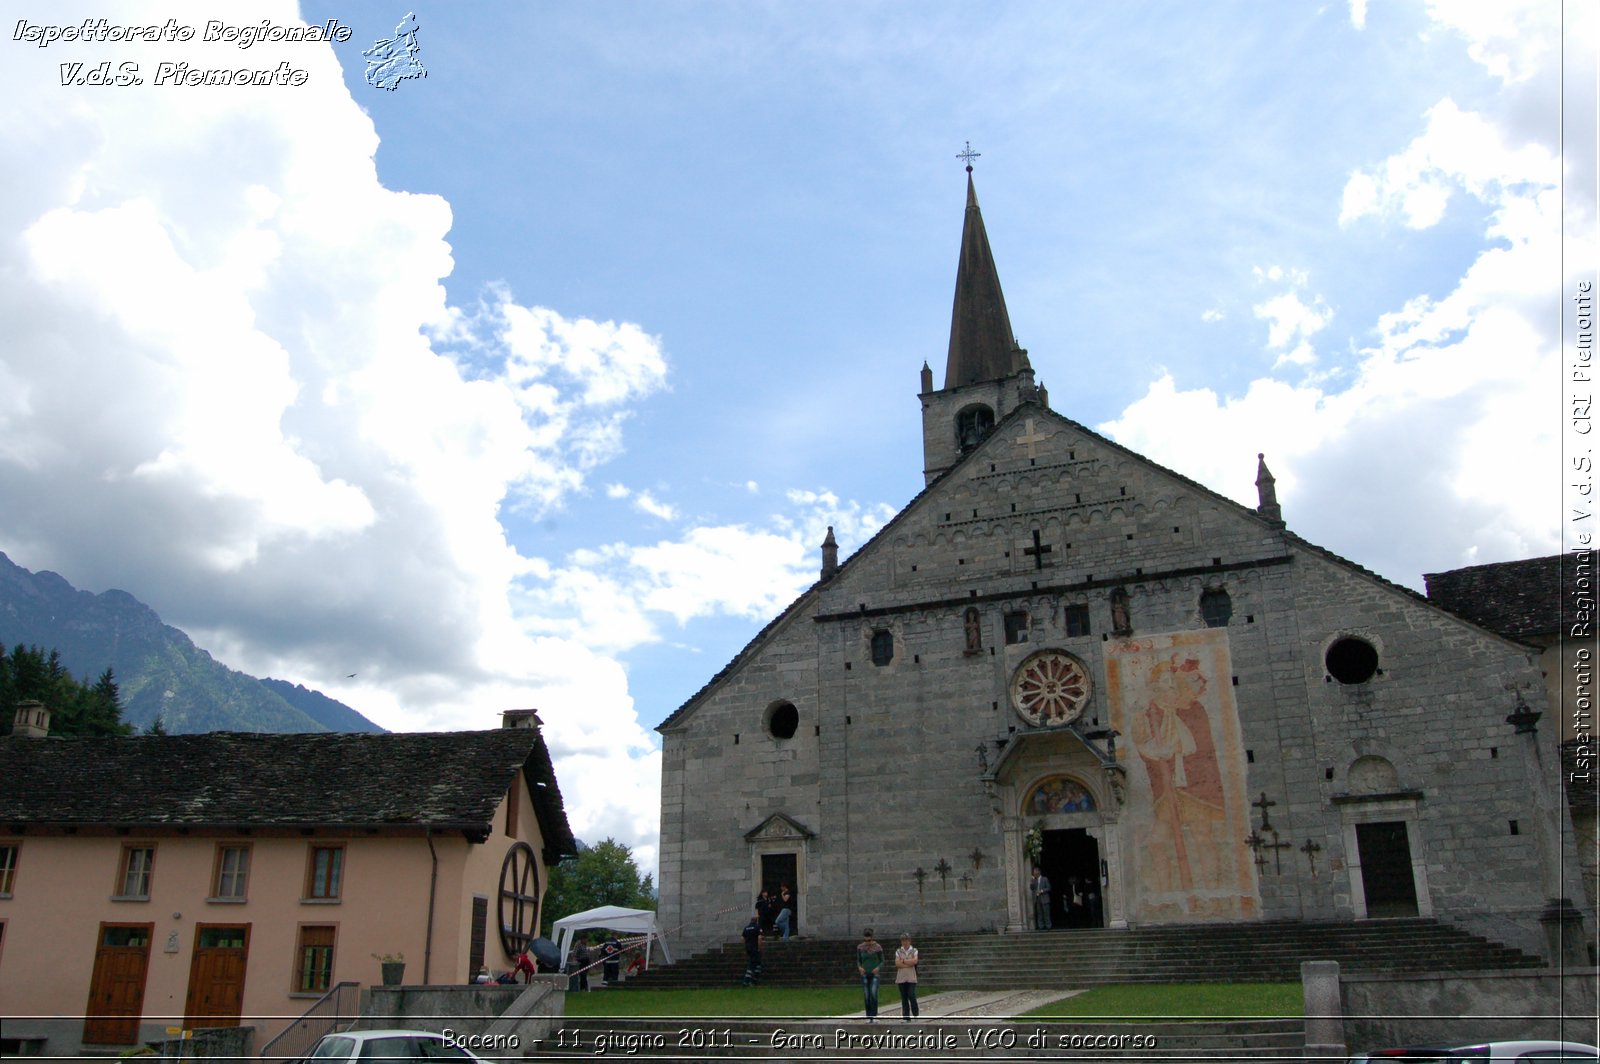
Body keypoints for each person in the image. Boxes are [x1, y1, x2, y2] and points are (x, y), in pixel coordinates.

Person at [856, 927, 884, 1022]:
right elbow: (858, 960)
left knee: (873, 993)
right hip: (864, 974)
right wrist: (860, 967)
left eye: (869, 940)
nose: (867, 942)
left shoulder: (877, 947)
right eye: (865, 940)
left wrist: (878, 968)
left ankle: (874, 1015)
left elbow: (882, 960)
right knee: (867, 995)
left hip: (874, 974)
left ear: (872, 938)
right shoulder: (860, 948)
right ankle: (868, 1016)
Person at [894, 932, 920, 1021]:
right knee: (904, 997)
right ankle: (906, 1016)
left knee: (911, 994)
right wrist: (908, 963)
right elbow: (897, 963)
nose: (905, 943)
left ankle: (915, 1012)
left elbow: (915, 961)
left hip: (911, 977)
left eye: (906, 940)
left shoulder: (914, 951)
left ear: (909, 941)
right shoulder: (898, 951)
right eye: (903, 941)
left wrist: (903, 961)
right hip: (901, 977)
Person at [741, 910, 763, 985]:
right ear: (756, 921)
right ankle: (747, 980)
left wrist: (746, 946)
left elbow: (743, 939)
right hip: (755, 948)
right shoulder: (757, 927)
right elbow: (759, 938)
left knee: (758, 962)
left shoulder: (746, 928)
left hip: (748, 948)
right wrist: (759, 947)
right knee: (752, 963)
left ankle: (754, 979)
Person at [1029, 866, 1052, 930]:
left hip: (1044, 898)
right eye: (1033, 872)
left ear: (1038, 872)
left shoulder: (1045, 879)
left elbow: (1048, 888)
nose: (1033, 873)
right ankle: (1041, 926)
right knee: (1039, 913)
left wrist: (1042, 891)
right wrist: (1031, 882)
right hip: (1037, 899)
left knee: (1046, 913)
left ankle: (1048, 926)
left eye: (1034, 871)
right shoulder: (1034, 880)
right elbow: (1032, 888)